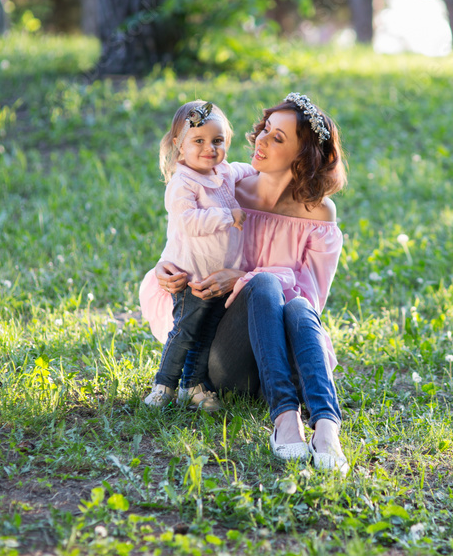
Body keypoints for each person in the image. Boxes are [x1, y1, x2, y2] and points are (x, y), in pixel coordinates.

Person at [139, 92, 350, 473]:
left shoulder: (319, 214)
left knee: (296, 303)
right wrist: (163, 268)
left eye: (277, 138)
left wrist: (243, 277)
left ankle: (326, 428)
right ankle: (285, 418)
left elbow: (312, 298)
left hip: (283, 354)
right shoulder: (227, 189)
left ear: (303, 157)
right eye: (265, 129)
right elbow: (187, 241)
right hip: (225, 356)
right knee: (264, 285)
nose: (260, 140)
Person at [142, 100, 253, 410]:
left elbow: (248, 170)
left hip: (216, 277)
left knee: (206, 333)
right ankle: (163, 384)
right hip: (190, 276)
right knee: (185, 332)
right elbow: (188, 221)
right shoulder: (183, 183)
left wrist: (264, 169)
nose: (210, 149)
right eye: (199, 141)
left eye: (218, 141)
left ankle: (193, 386)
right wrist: (227, 216)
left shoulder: (224, 171)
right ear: (179, 145)